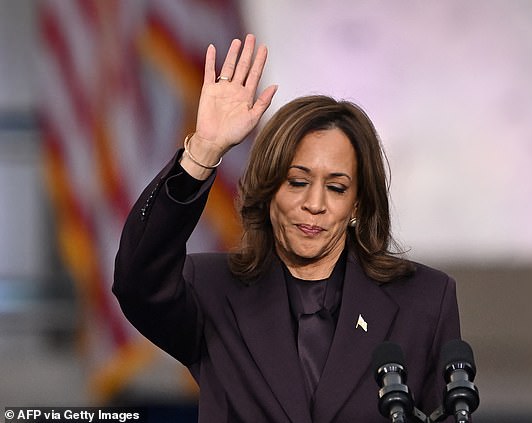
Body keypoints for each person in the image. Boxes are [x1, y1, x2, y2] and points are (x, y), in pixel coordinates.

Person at [113, 34, 461, 423]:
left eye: (336, 187)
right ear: (267, 189)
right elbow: (137, 282)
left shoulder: (425, 300)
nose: (314, 203)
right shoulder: (212, 291)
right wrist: (204, 153)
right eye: (297, 181)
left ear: (358, 203)